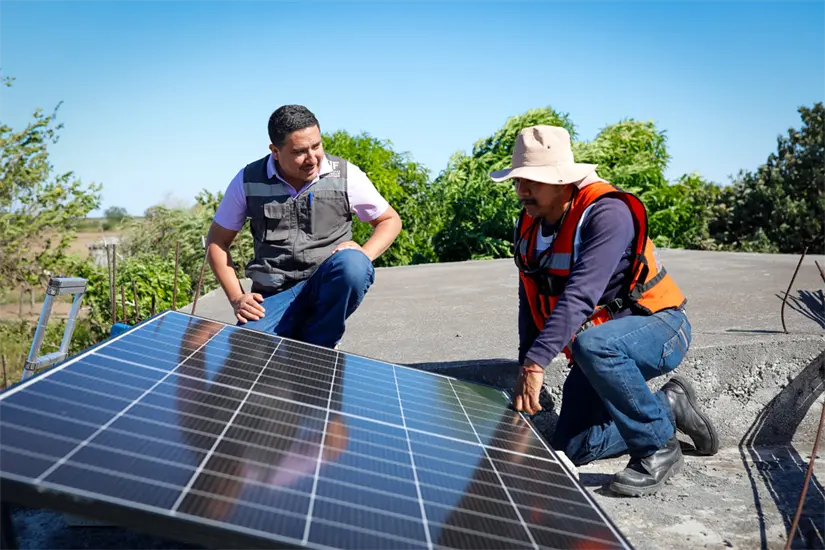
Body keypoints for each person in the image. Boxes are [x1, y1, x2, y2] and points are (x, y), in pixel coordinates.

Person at [490, 125, 719, 497]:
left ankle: (657, 449)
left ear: (562, 181)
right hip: (599, 345)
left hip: (659, 326)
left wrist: (537, 364)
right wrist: (524, 362)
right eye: (518, 180)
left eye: (533, 181)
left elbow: (581, 294)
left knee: (593, 345)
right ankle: (668, 407)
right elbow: (530, 299)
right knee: (574, 447)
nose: (521, 190)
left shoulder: (608, 213)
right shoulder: (529, 224)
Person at [207, 105, 402, 349]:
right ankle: (293, 335)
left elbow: (390, 220)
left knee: (353, 264)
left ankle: (322, 343)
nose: (312, 159)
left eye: (316, 146)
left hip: (323, 289)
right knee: (246, 350)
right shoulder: (247, 180)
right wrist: (237, 298)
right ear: (275, 151)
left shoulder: (346, 175)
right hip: (273, 296)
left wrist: (365, 253)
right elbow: (217, 241)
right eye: (299, 152)